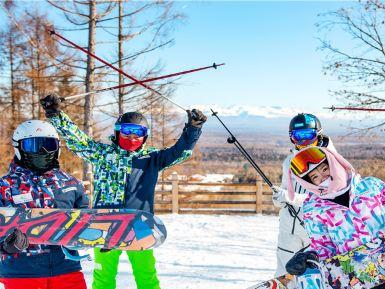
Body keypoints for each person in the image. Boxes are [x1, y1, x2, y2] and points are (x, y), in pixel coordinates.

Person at [40, 94, 207, 289]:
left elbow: (180, 151)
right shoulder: (103, 154)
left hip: (140, 224)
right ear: (118, 132)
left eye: (138, 132)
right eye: (127, 131)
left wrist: (193, 128)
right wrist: (56, 114)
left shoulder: (152, 158)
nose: (132, 137)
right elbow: (79, 142)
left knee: (146, 276)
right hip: (105, 224)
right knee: (104, 277)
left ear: (145, 135)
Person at [0, 120, 89, 289]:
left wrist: (104, 239)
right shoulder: (6, 186)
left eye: (49, 144)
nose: (42, 151)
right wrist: (4, 245)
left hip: (66, 269)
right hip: (22, 272)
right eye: (32, 145)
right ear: (18, 148)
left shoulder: (70, 184)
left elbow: (86, 220)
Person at [285, 146, 385, 288]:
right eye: (315, 177)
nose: (323, 177)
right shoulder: (314, 210)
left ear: (334, 164)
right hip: (359, 278)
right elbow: (324, 247)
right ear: (309, 183)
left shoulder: (372, 186)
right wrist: (309, 258)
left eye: (324, 169)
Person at [272, 113, 336, 277]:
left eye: (308, 136)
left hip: (316, 231)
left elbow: (330, 198)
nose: (304, 142)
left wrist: (290, 197)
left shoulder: (330, 161)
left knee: (314, 275)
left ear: (318, 134)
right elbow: (285, 191)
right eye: (298, 137)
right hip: (289, 229)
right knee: (284, 273)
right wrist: (279, 198)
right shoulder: (288, 162)